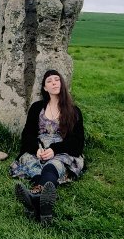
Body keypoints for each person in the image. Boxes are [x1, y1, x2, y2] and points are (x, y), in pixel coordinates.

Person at [10, 69, 85, 226]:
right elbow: (27, 134)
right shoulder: (37, 108)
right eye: (49, 81)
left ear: (62, 84)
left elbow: (78, 141)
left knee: (54, 164)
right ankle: (43, 205)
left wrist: (55, 150)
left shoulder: (73, 110)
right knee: (32, 162)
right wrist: (36, 149)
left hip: (62, 149)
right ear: (45, 88)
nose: (54, 83)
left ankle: (35, 198)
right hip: (39, 147)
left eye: (57, 79)